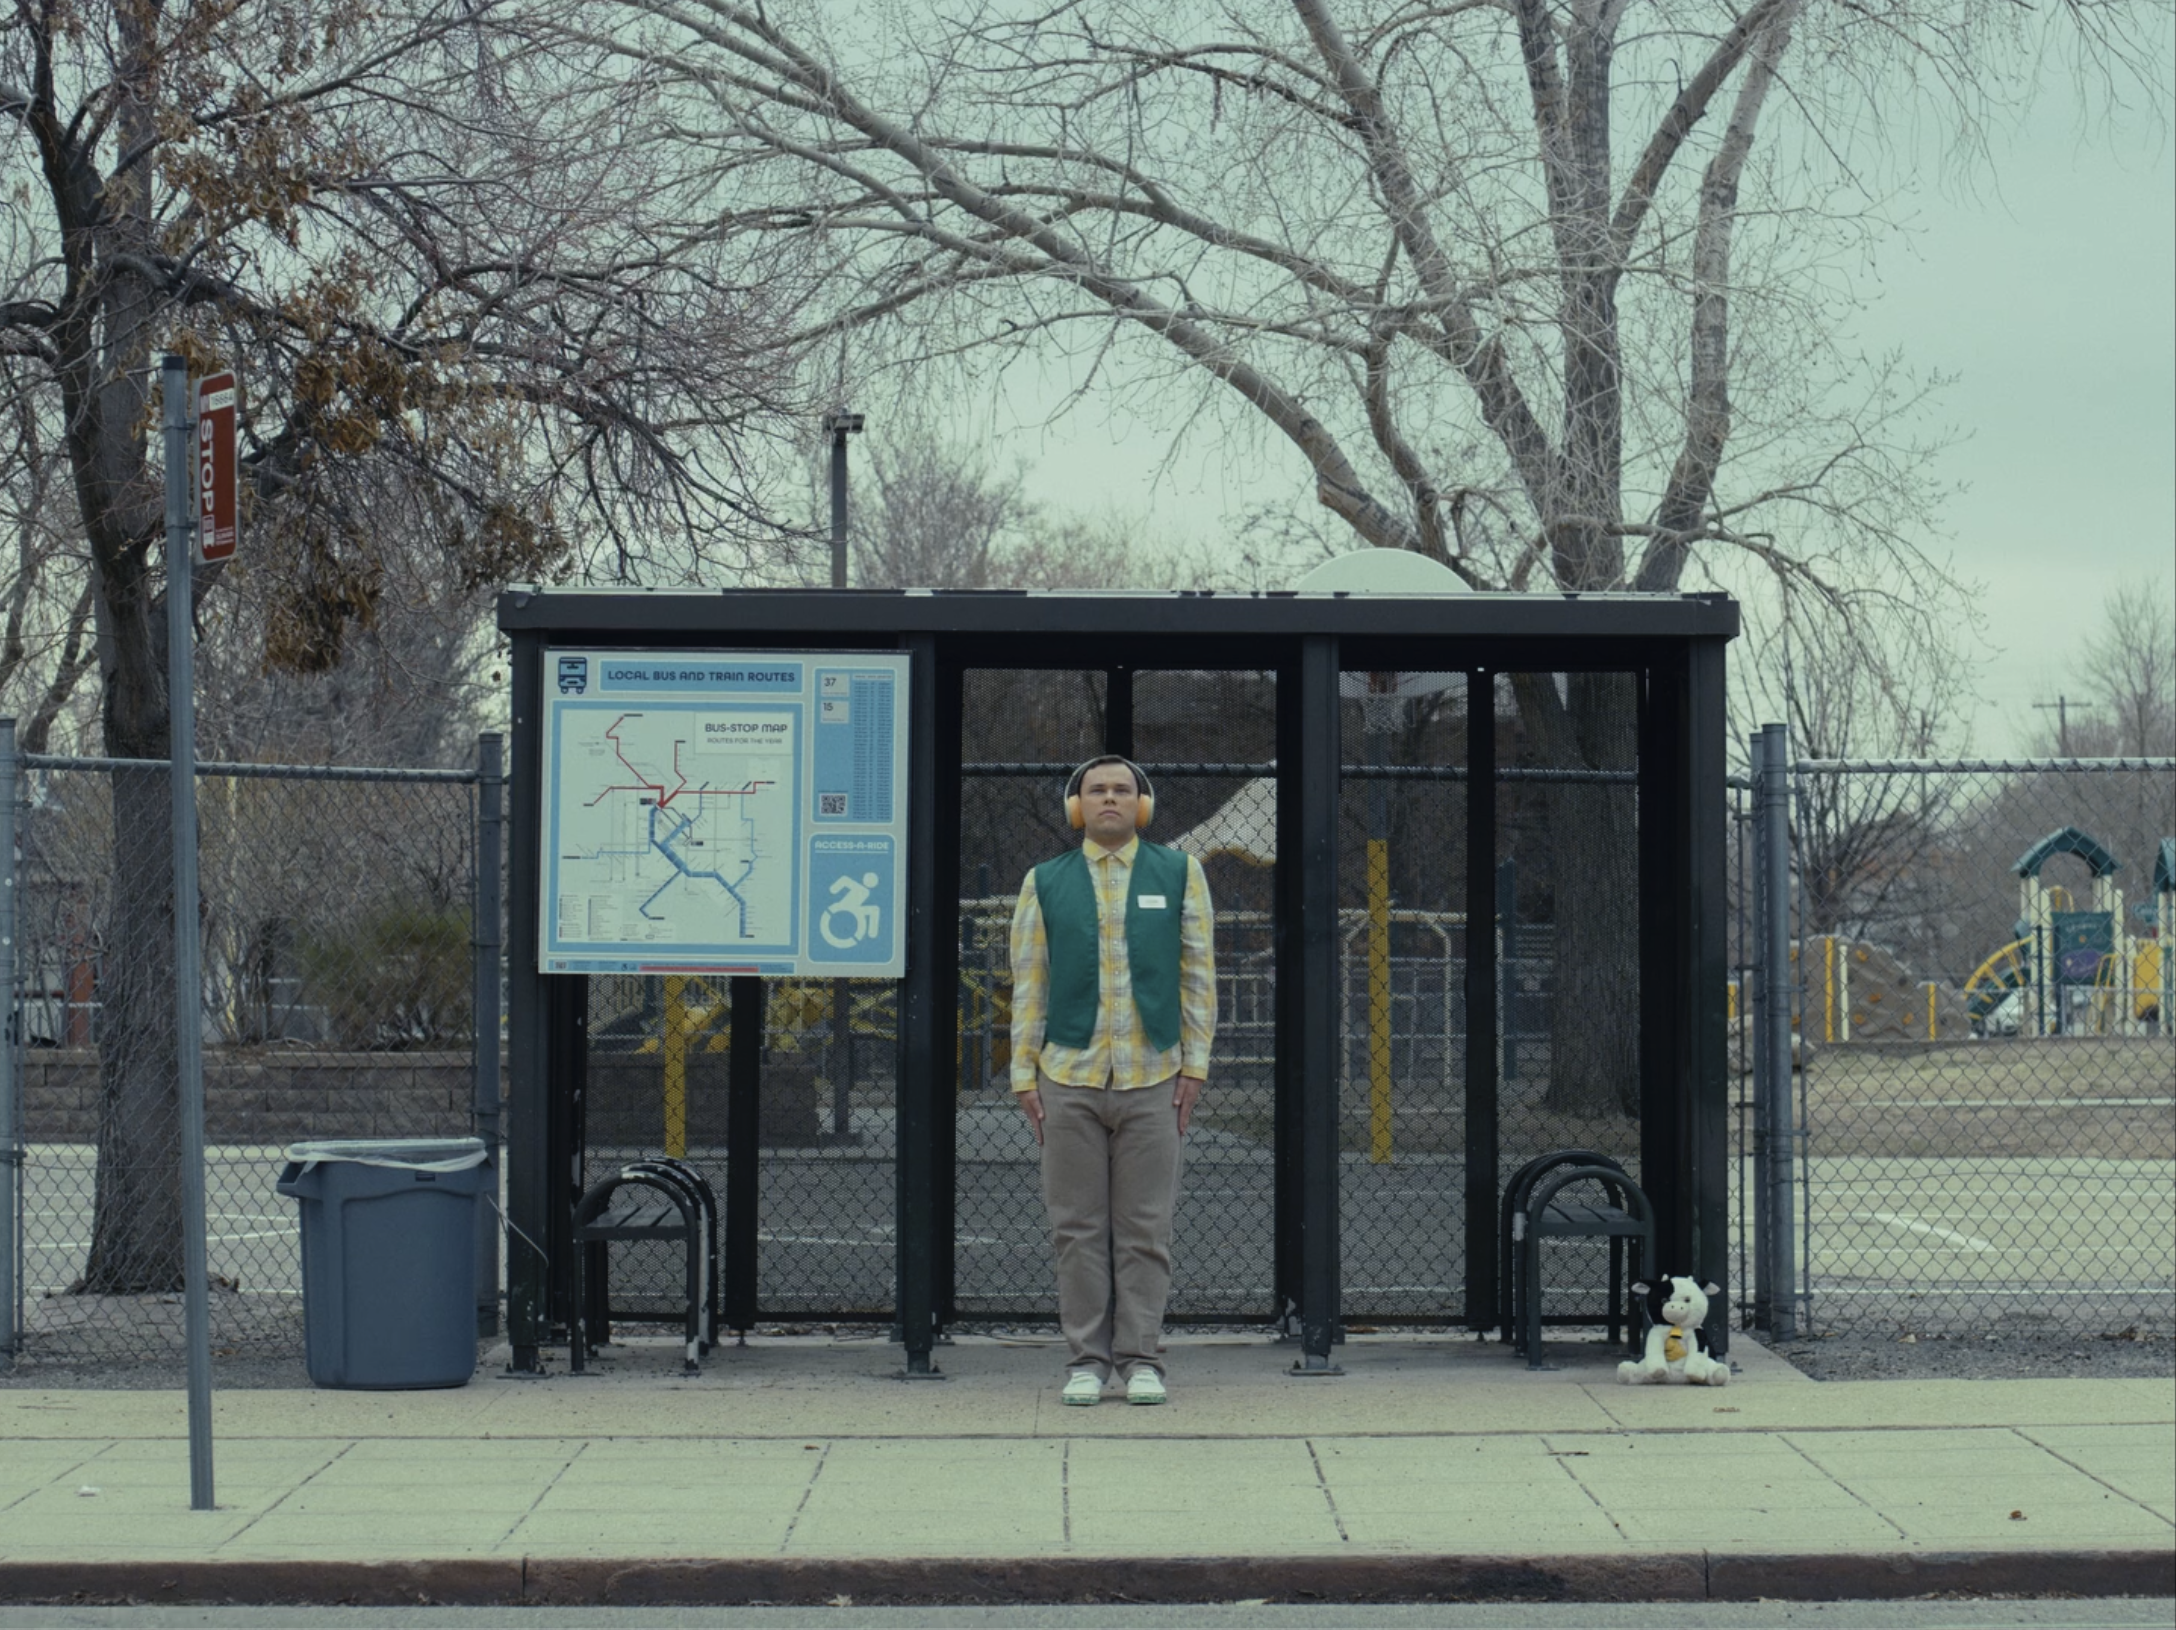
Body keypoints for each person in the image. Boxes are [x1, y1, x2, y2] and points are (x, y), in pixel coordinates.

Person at [1009, 754, 1216, 1406]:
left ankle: (1141, 1358)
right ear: (1077, 806)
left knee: (1146, 1228)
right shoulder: (1043, 881)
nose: (1108, 799)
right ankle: (1087, 1361)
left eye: (1121, 790)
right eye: (1096, 790)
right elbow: (1029, 983)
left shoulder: (1181, 874)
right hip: (1067, 1077)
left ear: (1141, 805)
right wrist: (1024, 1074)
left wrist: (1195, 1065)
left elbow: (1197, 976)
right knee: (1076, 1229)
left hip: (1153, 1077)